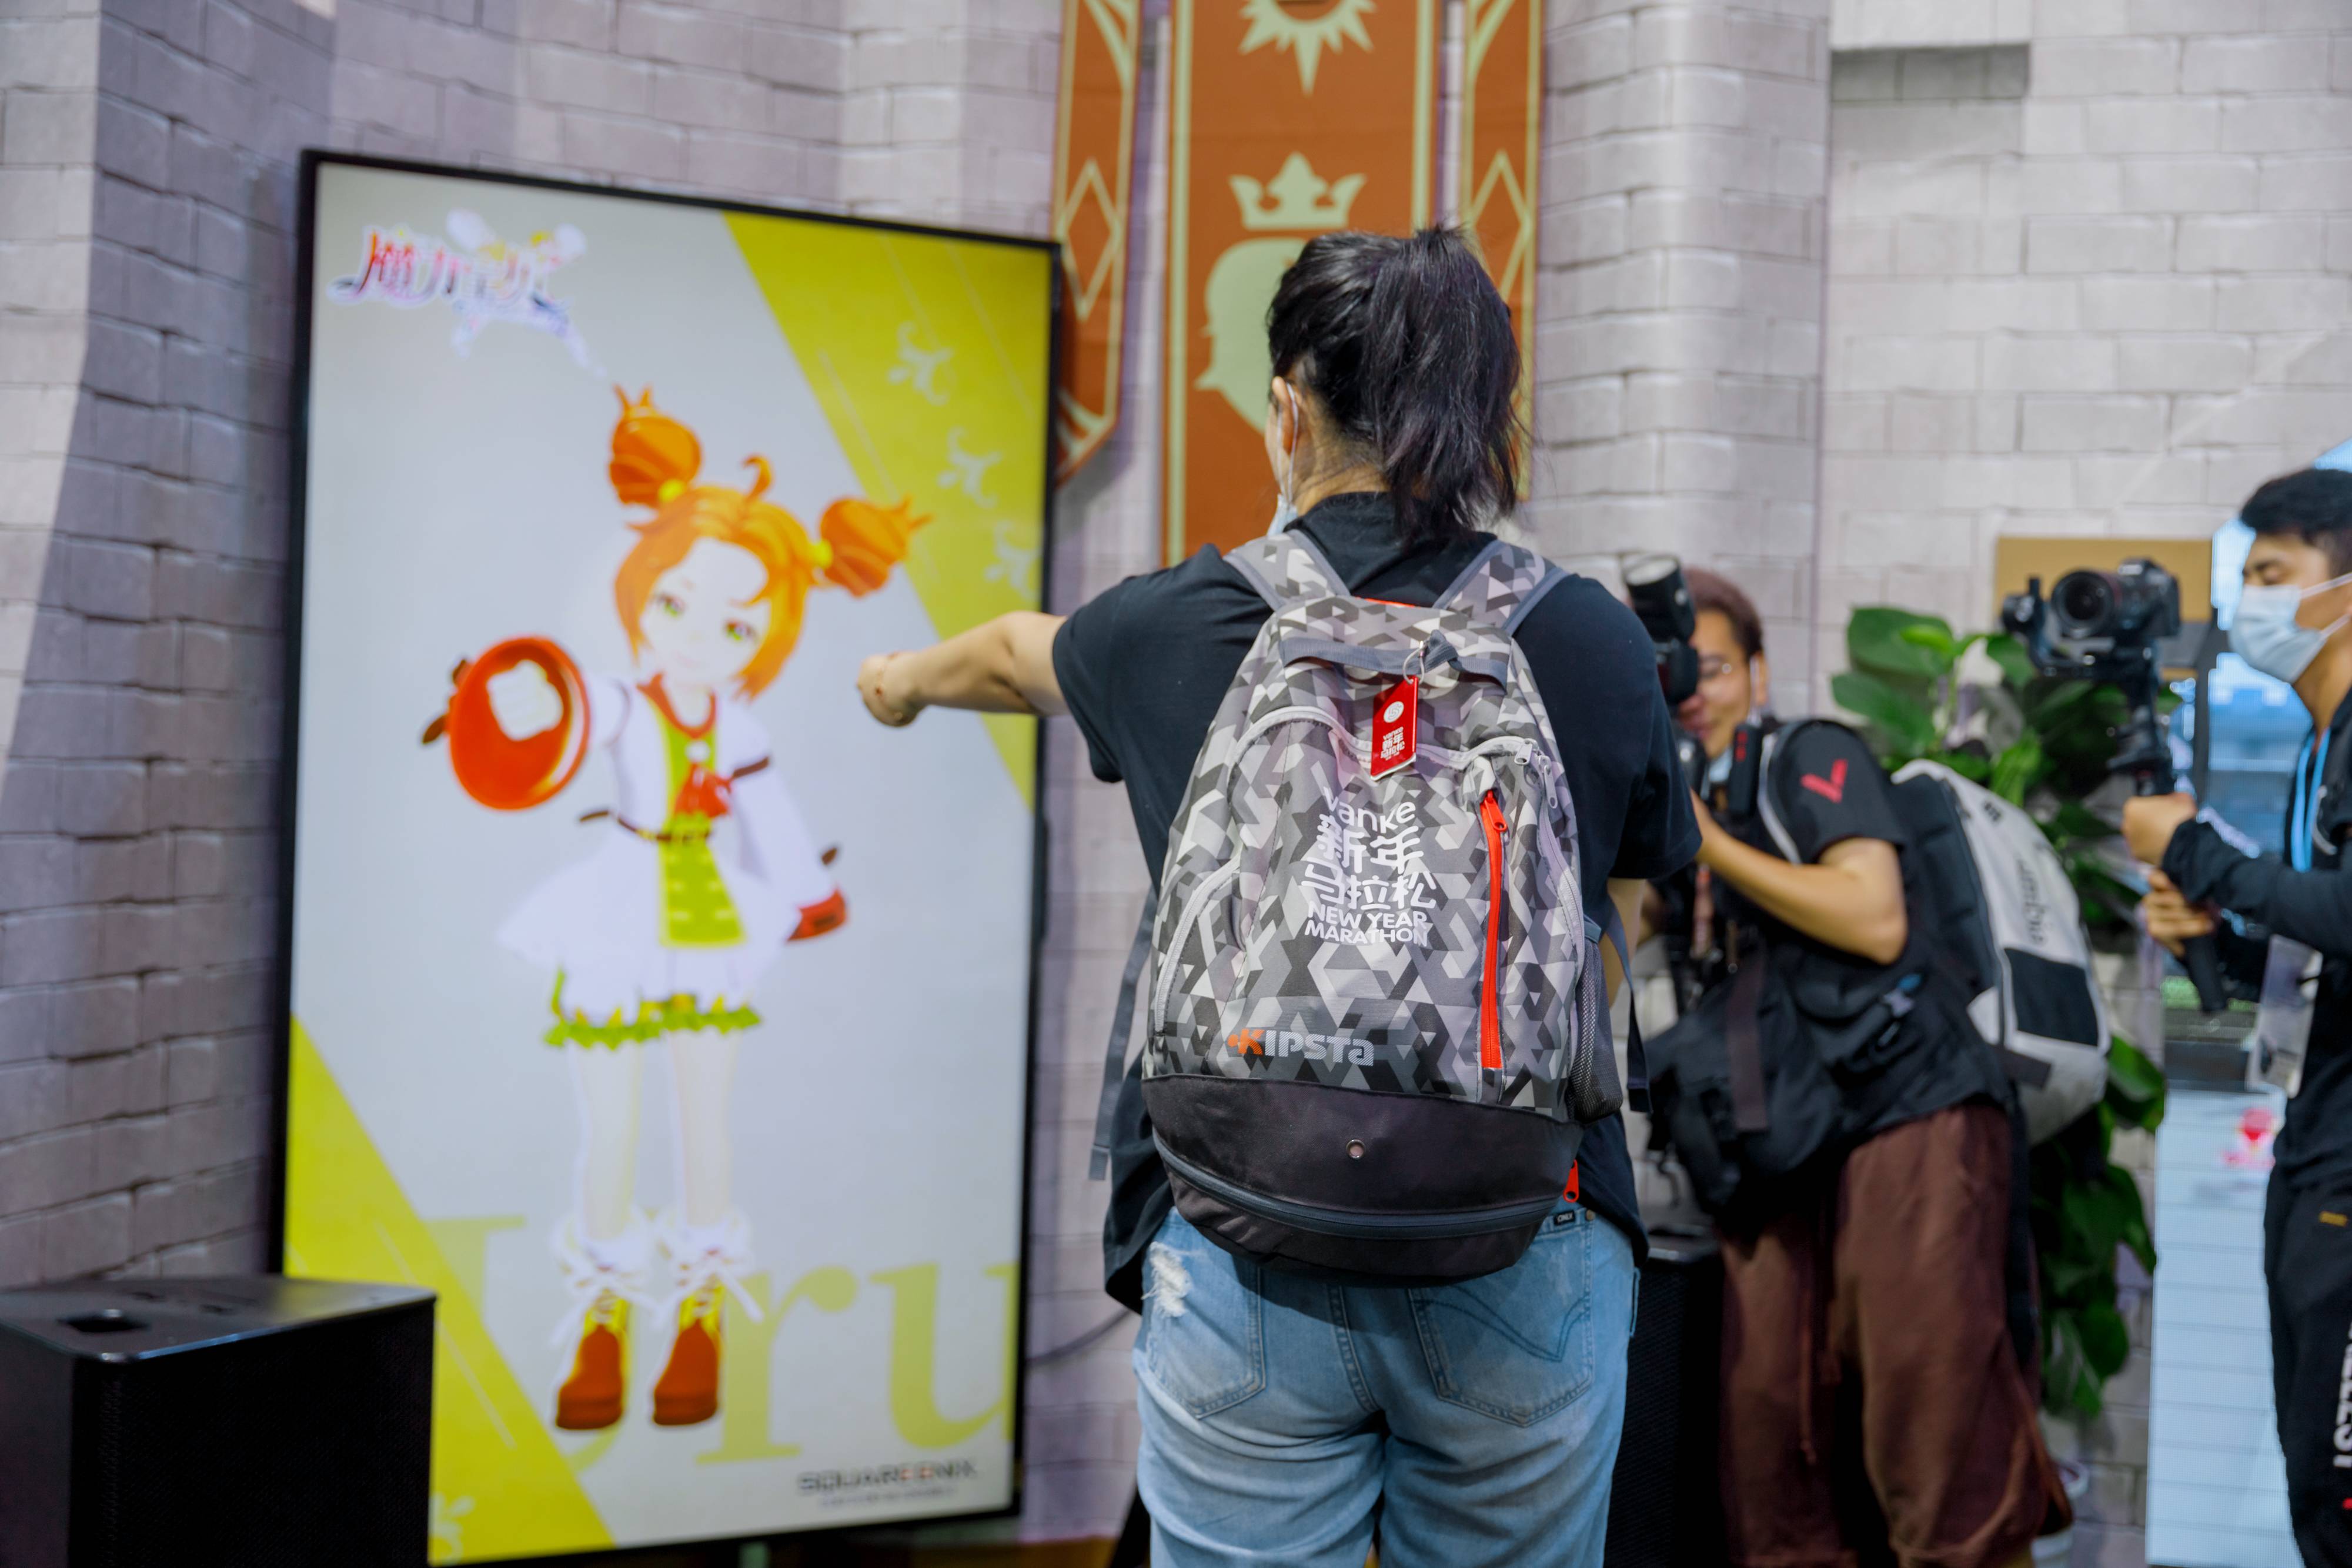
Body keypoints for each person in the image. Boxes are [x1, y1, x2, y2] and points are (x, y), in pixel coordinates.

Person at [853, 228, 1696, 1567]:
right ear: (1487, 420)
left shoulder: (1179, 624)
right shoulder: (1590, 639)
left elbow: (1013, 655)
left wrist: (897, 683)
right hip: (1522, 1224)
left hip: (1241, 1224)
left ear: (1286, 414)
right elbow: (1626, 914)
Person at [430, 387, 923, 1432]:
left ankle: (699, 1318)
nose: (704, 636)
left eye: (739, 623)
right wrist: (502, 705)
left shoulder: (737, 728)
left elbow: (771, 814)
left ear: (767, 635)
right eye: (677, 603)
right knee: (609, 1126)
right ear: (642, 589)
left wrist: (809, 896)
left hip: (706, 927)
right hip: (619, 915)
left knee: (706, 1126)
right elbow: (564, 714)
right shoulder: (621, 701)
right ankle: (602, 1319)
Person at [1665, 570, 2068, 1568]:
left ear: (1759, 674)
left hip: (1909, 1109)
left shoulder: (1807, 755)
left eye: (1714, 667)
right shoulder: (1674, 799)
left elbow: (1874, 916)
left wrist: (1709, 843)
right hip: (1780, 1137)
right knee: (1773, 1443)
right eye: (1673, 674)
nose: (1694, 691)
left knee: (1935, 1435)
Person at [2127, 467, 2352, 1568]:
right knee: (2313, 1473)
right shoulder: (2321, 745)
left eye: (2274, 573)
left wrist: (2192, 848)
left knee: (2341, 1489)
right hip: (2317, 1143)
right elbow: (2325, 953)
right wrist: (2212, 933)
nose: (2250, 601)